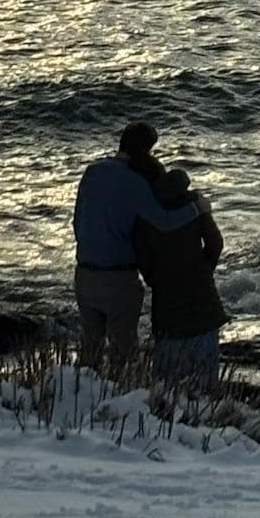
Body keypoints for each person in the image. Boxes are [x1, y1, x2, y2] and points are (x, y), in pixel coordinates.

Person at [72, 122, 196, 373]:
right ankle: (120, 404)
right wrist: (198, 208)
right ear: (146, 150)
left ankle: (81, 401)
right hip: (118, 278)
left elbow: (77, 220)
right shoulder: (136, 183)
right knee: (124, 356)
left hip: (84, 274)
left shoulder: (92, 172)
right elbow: (164, 221)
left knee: (89, 353)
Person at [134, 167, 227, 390]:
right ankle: (204, 413)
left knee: (166, 379)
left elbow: (142, 258)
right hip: (202, 301)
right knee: (205, 378)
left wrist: (155, 279)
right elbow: (215, 244)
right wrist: (204, 270)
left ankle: (168, 412)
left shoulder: (145, 217)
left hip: (165, 303)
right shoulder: (196, 210)